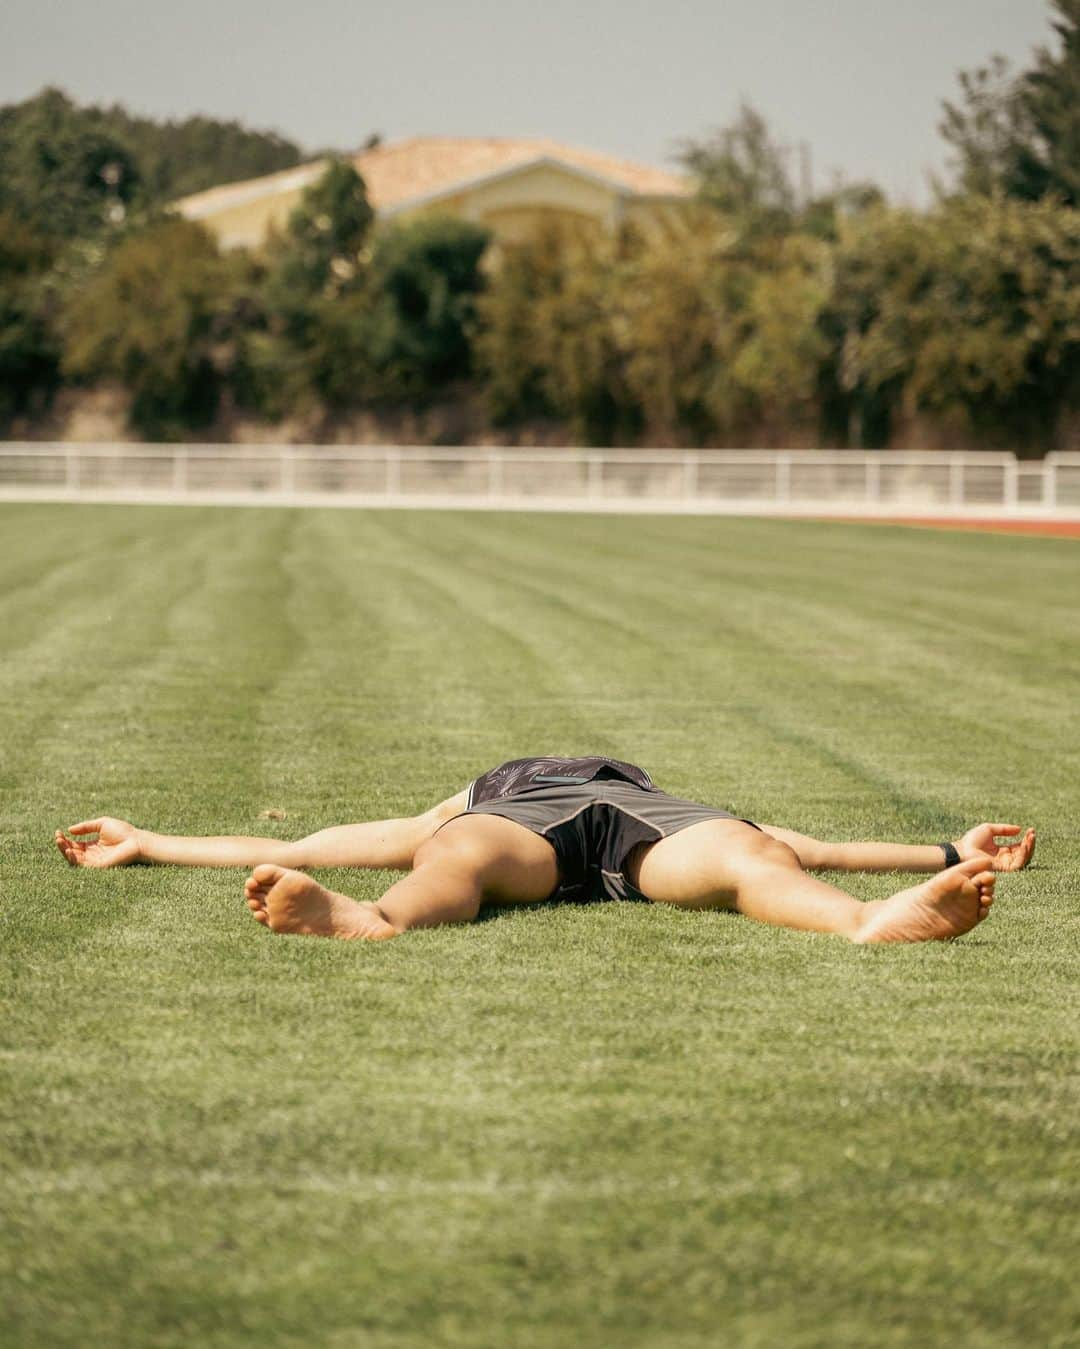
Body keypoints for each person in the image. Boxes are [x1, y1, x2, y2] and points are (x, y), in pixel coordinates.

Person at [54, 754, 1035, 946]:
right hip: (515, 824)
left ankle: (870, 925)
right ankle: (373, 918)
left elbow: (807, 840)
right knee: (452, 851)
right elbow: (300, 841)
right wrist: (149, 843)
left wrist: (944, 849)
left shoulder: (652, 791)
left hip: (661, 826)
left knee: (754, 854)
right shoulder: (483, 791)